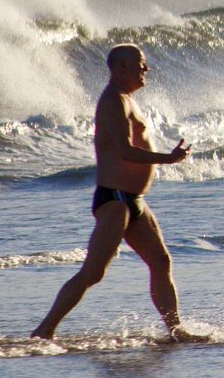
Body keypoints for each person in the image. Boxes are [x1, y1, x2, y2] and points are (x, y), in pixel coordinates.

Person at [33, 44, 208, 342]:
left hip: (133, 200)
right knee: (93, 272)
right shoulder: (113, 100)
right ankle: (44, 330)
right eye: (141, 63)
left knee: (161, 262)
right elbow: (125, 151)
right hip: (114, 199)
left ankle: (176, 331)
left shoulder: (128, 100)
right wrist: (168, 159)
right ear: (122, 66)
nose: (146, 69)